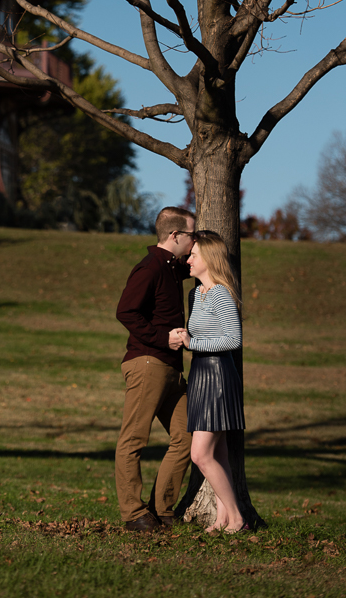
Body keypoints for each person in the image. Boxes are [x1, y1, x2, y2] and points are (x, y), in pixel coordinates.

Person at [114, 206, 195, 533]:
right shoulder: (149, 268)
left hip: (172, 370)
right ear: (175, 235)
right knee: (134, 438)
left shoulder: (173, 270)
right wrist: (163, 338)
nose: (194, 243)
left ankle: (163, 509)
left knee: (188, 436)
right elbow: (126, 312)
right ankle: (133, 513)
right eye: (192, 235)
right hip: (148, 362)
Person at [175, 231, 247, 534]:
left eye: (194, 255)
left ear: (209, 259)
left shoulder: (220, 292)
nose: (188, 260)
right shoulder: (196, 294)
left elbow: (233, 338)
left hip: (218, 376)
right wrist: (181, 338)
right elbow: (201, 336)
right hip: (200, 375)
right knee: (217, 454)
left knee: (200, 454)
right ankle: (222, 518)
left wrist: (193, 343)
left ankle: (237, 517)